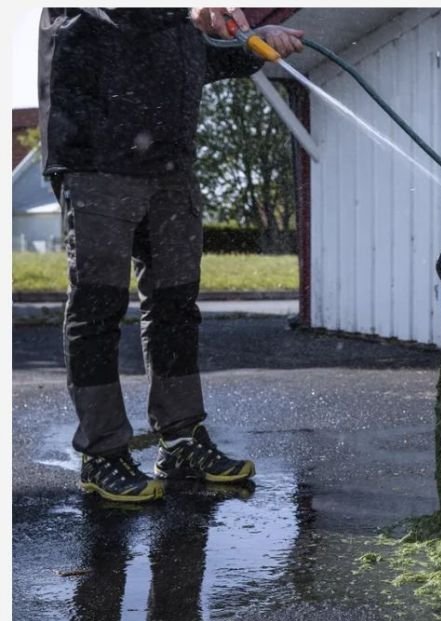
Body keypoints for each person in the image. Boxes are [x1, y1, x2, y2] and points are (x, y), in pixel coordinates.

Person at [38, 8, 304, 502]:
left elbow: (192, 57)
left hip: (168, 164)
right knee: (98, 306)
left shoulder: (173, 16)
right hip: (96, 158)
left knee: (175, 304)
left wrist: (251, 45)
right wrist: (187, 8)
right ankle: (102, 454)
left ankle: (181, 438)